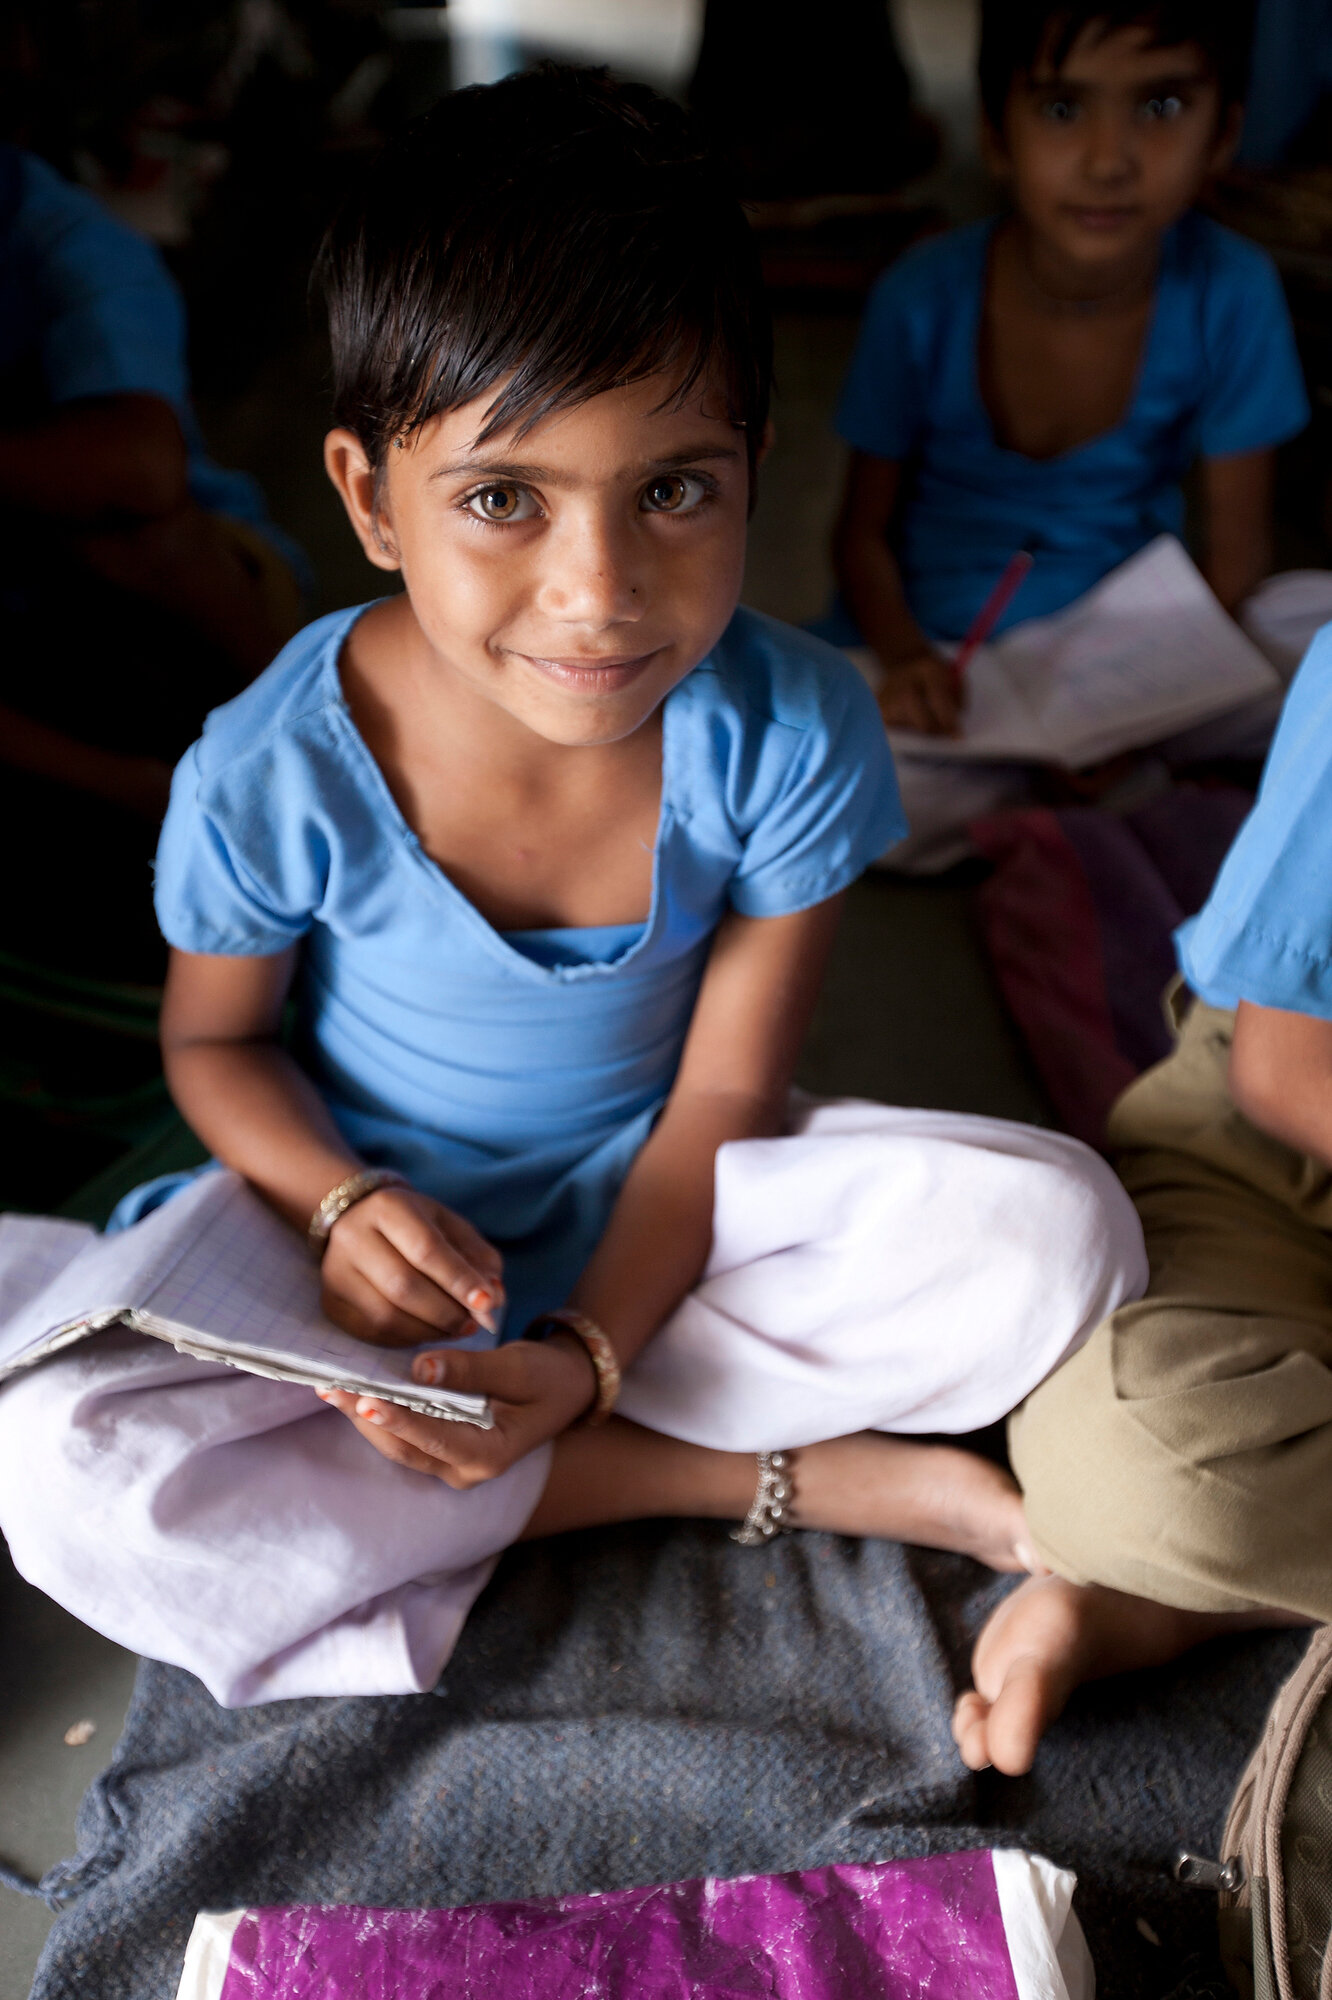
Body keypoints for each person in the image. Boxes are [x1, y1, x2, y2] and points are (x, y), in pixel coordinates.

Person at [0, 69, 1147, 1708]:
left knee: (1058, 1240)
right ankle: (748, 1475)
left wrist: (585, 1349)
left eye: (673, 488)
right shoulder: (272, 766)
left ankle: (526, 1451)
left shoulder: (792, 729)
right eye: (502, 498)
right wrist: (338, 1208)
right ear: (366, 497)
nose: (600, 594)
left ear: (759, 461)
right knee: (61, 1464)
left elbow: (724, 1095)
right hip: (352, 1246)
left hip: (664, 1204)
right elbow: (216, 1055)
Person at [952, 622, 1332, 1778]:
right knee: (1139, 1451)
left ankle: (1203, 1608)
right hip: (1274, 1148)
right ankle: (1211, 1574)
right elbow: (1287, 1073)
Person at [831, 0, 1319, 872]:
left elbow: (1237, 562)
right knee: (831, 752)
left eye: (1161, 108)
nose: (1109, 160)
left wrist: (1150, 702)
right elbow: (860, 535)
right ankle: (1126, 793)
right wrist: (905, 661)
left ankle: (1083, 783)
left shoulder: (1234, 290)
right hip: (949, 662)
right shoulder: (921, 297)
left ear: (1223, 137)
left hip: (1138, 657)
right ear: (996, 136)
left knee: (1315, 627)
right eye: (1062, 109)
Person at [0, 141, 305, 970]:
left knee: (138, 533)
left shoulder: (59, 239)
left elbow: (134, 471)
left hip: (164, 587)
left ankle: (308, 748)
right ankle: (149, 794)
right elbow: (219, 1047)